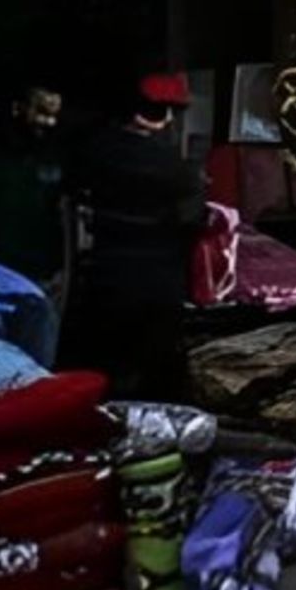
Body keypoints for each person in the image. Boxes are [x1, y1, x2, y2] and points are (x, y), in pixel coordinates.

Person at [59, 72, 206, 401]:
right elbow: (192, 215)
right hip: (158, 274)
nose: (168, 121)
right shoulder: (172, 165)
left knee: (105, 366)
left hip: (105, 270)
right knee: (157, 366)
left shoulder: (92, 151)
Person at [0, 83, 68, 307]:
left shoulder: (58, 154)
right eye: (42, 113)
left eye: (54, 115)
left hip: (43, 271)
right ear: (18, 108)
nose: (49, 122)